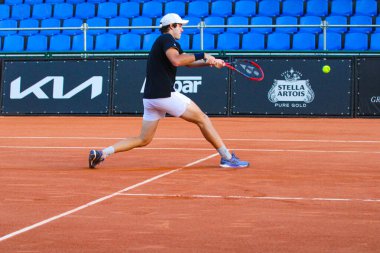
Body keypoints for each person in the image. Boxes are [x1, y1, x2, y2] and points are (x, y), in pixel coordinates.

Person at [88, 13, 249, 169]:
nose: (182, 29)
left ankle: (102, 153)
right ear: (171, 26)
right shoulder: (167, 39)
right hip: (164, 94)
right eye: (180, 26)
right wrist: (203, 54)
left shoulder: (168, 43)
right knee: (203, 119)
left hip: (151, 98)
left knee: (143, 139)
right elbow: (177, 60)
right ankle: (227, 158)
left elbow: (188, 62)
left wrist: (210, 62)